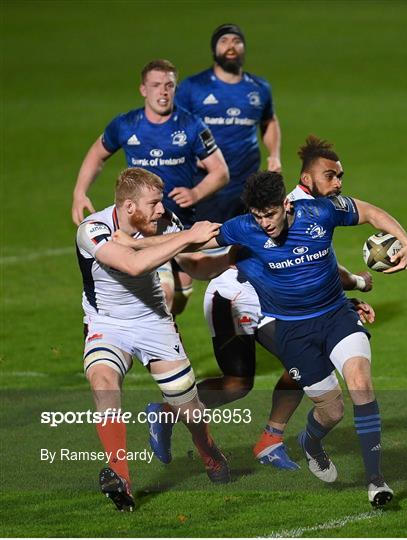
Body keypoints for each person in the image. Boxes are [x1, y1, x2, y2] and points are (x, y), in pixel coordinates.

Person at [202, 150, 407, 506]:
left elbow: (371, 213)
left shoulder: (321, 211)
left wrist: (405, 240)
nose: (265, 224)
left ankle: (376, 481)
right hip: (290, 329)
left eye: (270, 214)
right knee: (332, 411)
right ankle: (310, 441)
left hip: (335, 316)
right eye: (258, 217)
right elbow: (194, 244)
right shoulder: (243, 229)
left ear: (285, 205)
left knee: (361, 384)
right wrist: (139, 249)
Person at [197, 137, 375, 470]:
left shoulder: (311, 211)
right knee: (288, 364)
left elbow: (311, 269)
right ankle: (173, 410)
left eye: (340, 177)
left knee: (254, 379)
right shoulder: (282, 208)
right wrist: (358, 284)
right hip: (239, 298)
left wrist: (344, 302)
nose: (338, 184)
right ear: (307, 179)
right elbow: (309, 270)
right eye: (330, 176)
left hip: (270, 299)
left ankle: (269, 439)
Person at [76, 167, 234, 511]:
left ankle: (208, 450)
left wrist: (233, 255)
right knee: (103, 383)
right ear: (130, 208)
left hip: (154, 323)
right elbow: (131, 264)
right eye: (155, 203)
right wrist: (188, 235)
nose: (162, 209)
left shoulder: (162, 223)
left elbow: (195, 265)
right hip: (108, 322)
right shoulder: (93, 230)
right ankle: (121, 479)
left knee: (188, 409)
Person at [72, 58, 229, 313]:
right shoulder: (126, 124)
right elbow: (96, 155)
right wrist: (80, 193)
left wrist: (196, 192)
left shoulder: (191, 126)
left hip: (179, 224)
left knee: (179, 299)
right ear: (143, 89)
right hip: (145, 229)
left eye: (169, 85)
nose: (163, 92)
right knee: (162, 296)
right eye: (156, 85)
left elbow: (221, 171)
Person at [175, 23, 281, 223]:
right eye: (224, 41)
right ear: (214, 49)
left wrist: (274, 155)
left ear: (244, 48)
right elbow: (175, 126)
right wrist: (189, 152)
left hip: (248, 184)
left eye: (237, 41)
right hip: (205, 184)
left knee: (246, 246)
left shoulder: (259, 87)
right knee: (210, 245)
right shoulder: (193, 86)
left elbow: (269, 121)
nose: (231, 46)